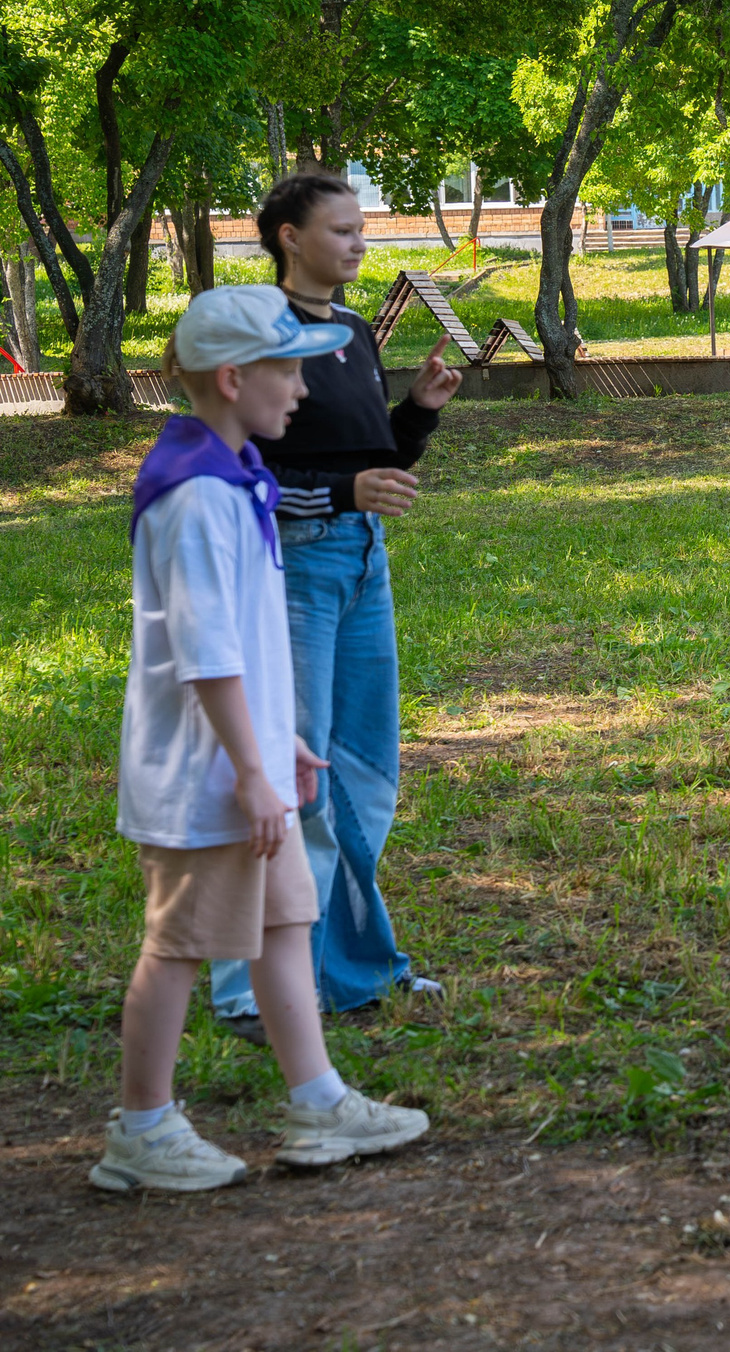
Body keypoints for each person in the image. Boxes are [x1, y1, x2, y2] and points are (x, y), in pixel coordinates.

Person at [97, 286, 432, 1190]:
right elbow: (205, 652)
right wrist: (251, 764)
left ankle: (318, 1103)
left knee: (289, 922)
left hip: (249, 761)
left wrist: (277, 742)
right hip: (203, 775)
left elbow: (246, 638)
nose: (303, 387)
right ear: (233, 377)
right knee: (175, 947)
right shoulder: (198, 494)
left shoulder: (238, 472)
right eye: (288, 369)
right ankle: (141, 1130)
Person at [210, 174, 462, 1042]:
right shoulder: (255, 332)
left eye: (363, 230)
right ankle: (246, 988)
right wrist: (340, 494)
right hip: (295, 572)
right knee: (293, 777)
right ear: (289, 237)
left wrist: (418, 416)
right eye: (343, 230)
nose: (359, 244)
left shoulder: (353, 329)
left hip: (363, 564)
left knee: (363, 771)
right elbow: (239, 472)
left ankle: (347, 969)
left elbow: (371, 457)